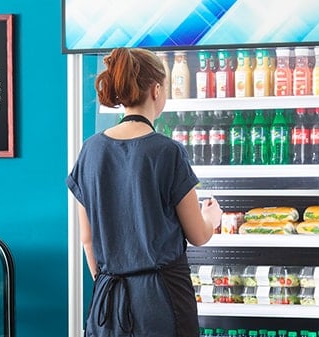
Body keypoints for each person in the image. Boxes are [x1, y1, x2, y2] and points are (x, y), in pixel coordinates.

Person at [66, 47, 223, 337]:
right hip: (163, 299)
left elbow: (87, 240)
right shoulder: (168, 151)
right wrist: (211, 217)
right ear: (157, 90)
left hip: (108, 297)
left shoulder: (91, 150)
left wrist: (109, 282)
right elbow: (198, 235)